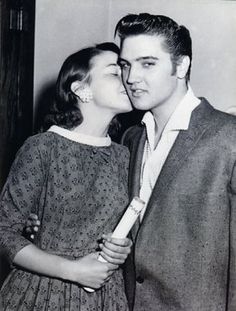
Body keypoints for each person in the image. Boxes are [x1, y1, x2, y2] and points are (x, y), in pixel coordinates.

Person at [114, 13, 236, 310]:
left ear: (181, 65)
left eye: (148, 63)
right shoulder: (132, 137)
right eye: (125, 64)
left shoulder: (228, 137)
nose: (131, 78)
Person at [0, 42, 133, 310]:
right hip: (44, 293)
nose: (128, 79)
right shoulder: (43, 147)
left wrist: (123, 249)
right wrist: (72, 271)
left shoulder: (125, 155)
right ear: (81, 89)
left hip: (106, 297)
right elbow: (4, 232)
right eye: (113, 72)